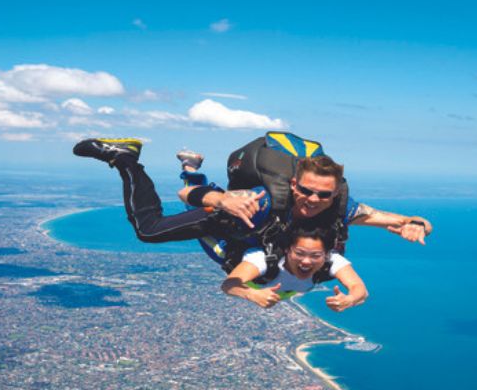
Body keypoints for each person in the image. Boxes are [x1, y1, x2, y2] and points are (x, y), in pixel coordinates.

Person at [72, 134, 433, 271]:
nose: (313, 200)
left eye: (324, 194)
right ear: (293, 184)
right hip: (229, 221)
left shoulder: (337, 205)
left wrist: (412, 221)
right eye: (306, 191)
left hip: (255, 235)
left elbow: (375, 216)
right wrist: (221, 199)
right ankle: (126, 159)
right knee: (149, 232)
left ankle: (192, 165)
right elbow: (186, 197)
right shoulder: (261, 199)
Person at [221, 226, 368, 312]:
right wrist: (253, 295)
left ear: (326, 254)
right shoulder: (264, 259)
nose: (306, 261)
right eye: (299, 253)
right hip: (251, 282)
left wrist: (350, 299)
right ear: (287, 250)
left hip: (278, 291)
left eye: (315, 255)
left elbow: (359, 288)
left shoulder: (332, 260)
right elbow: (229, 284)